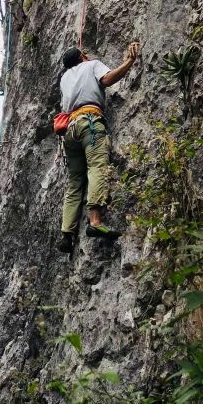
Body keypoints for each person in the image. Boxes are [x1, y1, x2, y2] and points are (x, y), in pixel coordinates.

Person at [58, 41, 140, 253]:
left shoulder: (64, 78)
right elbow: (107, 79)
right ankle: (94, 222)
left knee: (75, 181)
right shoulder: (91, 64)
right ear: (83, 56)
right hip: (90, 123)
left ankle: (67, 234)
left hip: (70, 130)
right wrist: (129, 61)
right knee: (97, 166)